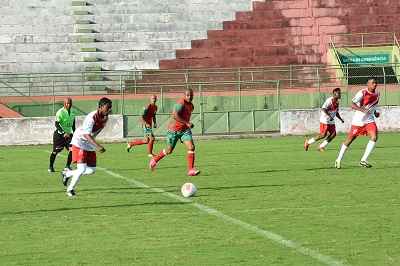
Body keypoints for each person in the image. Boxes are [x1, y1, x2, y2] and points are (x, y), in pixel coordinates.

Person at [61, 97, 112, 196]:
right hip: (79, 141)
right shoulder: (92, 117)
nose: (109, 110)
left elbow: (95, 132)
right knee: (81, 169)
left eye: (110, 108)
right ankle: (69, 190)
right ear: (100, 107)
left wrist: (93, 142)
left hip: (88, 142)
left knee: (92, 170)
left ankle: (67, 173)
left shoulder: (106, 118)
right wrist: (98, 145)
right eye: (107, 107)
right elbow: (85, 134)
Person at [149, 88, 201, 176]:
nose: (189, 97)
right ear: (184, 96)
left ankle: (190, 170)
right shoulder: (180, 104)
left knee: (191, 147)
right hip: (173, 130)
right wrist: (187, 123)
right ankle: (154, 159)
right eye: (187, 95)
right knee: (169, 150)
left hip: (184, 130)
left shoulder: (191, 106)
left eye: (191, 95)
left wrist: (186, 126)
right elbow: (175, 115)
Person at [335, 77, 380, 169]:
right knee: (350, 140)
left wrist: (375, 113)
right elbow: (352, 104)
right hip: (358, 121)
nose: (374, 84)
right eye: (372, 83)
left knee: (374, 137)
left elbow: (373, 106)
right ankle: (338, 160)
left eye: (375, 83)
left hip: (369, 120)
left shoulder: (378, 94)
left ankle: (363, 160)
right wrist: (363, 110)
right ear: (368, 83)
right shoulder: (362, 93)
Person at [48, 97, 76, 173]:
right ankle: (51, 167)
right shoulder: (60, 112)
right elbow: (56, 124)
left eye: (70, 103)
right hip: (59, 136)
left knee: (73, 150)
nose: (69, 105)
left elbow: (73, 124)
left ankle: (67, 166)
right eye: (67, 103)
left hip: (69, 136)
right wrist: (63, 133)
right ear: (64, 104)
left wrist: (74, 133)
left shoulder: (73, 111)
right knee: (55, 152)